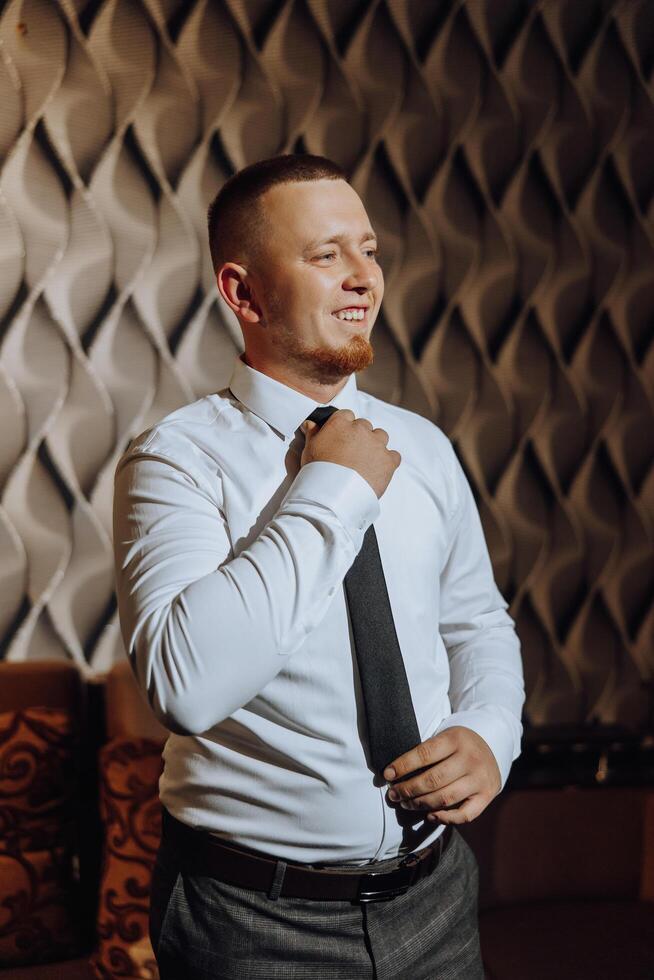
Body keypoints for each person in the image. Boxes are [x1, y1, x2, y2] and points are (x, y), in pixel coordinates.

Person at [112, 153, 526, 979]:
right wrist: (332, 487)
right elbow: (185, 684)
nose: (363, 277)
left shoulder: (428, 447)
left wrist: (490, 732)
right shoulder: (176, 460)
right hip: (252, 922)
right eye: (325, 254)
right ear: (243, 293)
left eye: (368, 249)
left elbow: (475, 621)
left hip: (437, 899)